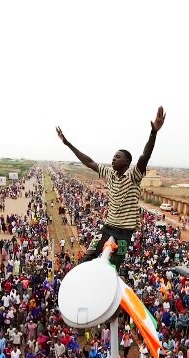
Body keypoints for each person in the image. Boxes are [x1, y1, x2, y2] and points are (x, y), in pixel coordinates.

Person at [56, 106, 166, 269]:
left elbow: (145, 156)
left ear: (127, 162)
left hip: (124, 233)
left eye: (117, 157)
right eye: (113, 156)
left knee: (113, 266)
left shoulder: (134, 176)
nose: (113, 159)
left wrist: (153, 133)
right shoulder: (109, 173)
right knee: (87, 257)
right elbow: (88, 162)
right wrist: (67, 143)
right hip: (107, 228)